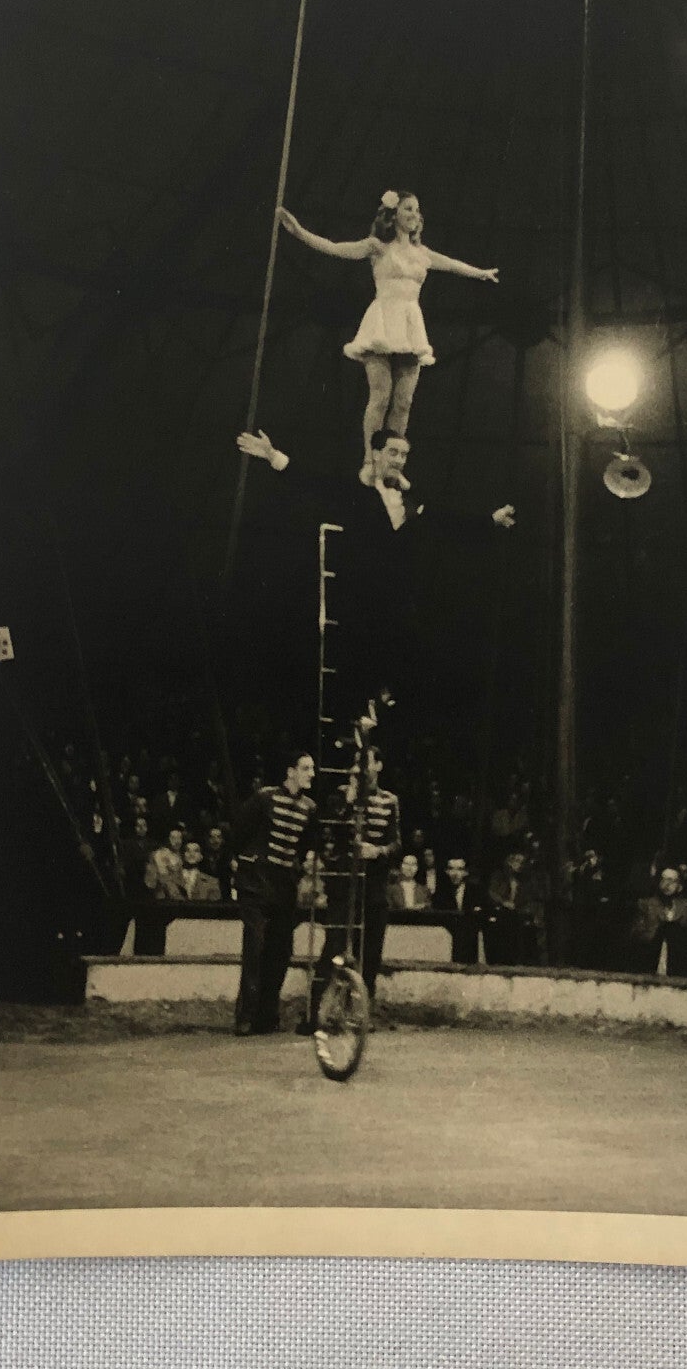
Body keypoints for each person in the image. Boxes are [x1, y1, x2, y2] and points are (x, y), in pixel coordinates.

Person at [234, 425, 515, 729]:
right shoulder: (357, 493)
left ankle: (382, 702)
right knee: (359, 655)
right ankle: (355, 711)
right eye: (393, 452)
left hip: (397, 599)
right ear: (377, 454)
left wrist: (491, 521)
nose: (399, 460)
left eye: (404, 454)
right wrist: (272, 455)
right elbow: (315, 482)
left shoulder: (412, 501)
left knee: (410, 649)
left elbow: (449, 521)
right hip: (361, 597)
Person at [277, 191, 500, 482]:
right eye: (408, 208)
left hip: (410, 325)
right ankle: (370, 459)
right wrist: (298, 231)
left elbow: (454, 264)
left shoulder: (423, 253)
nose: (415, 215)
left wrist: (481, 273)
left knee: (404, 400)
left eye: (417, 210)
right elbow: (335, 248)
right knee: (381, 395)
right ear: (394, 214)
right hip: (383, 322)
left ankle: (393, 465)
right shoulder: (377, 247)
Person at [304, 742, 402, 1031]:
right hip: (344, 883)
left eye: (366, 763)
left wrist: (378, 851)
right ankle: (315, 1013)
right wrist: (347, 803)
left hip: (373, 884)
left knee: (370, 952)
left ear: (378, 766)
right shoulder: (340, 796)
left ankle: (358, 1014)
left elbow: (397, 844)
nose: (360, 769)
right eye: (357, 764)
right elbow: (329, 834)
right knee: (334, 947)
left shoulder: (389, 801)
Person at [231, 749, 321, 1036]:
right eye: (306, 768)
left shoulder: (310, 808)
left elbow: (309, 845)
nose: (311, 774)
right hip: (256, 882)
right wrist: (241, 862)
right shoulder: (264, 798)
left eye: (312, 769)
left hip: (284, 887)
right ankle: (246, 1016)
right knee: (255, 948)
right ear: (290, 770)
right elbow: (238, 832)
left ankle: (267, 1016)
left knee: (280, 951)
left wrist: (305, 866)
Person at [628, 866, 687, 975]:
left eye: (672, 880)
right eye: (664, 879)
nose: (667, 884)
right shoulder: (645, 905)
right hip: (649, 964)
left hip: (679, 967)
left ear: (680, 886)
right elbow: (636, 933)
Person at [433, 855, 484, 964]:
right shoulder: (440, 895)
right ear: (446, 871)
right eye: (451, 869)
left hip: (471, 946)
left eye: (460, 869)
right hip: (446, 945)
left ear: (466, 872)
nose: (455, 874)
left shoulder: (476, 892)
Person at [179, 839, 223, 903]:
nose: (191, 854)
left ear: (201, 856)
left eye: (196, 851)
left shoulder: (212, 882)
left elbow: (215, 910)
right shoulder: (172, 879)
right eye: (188, 851)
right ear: (182, 855)